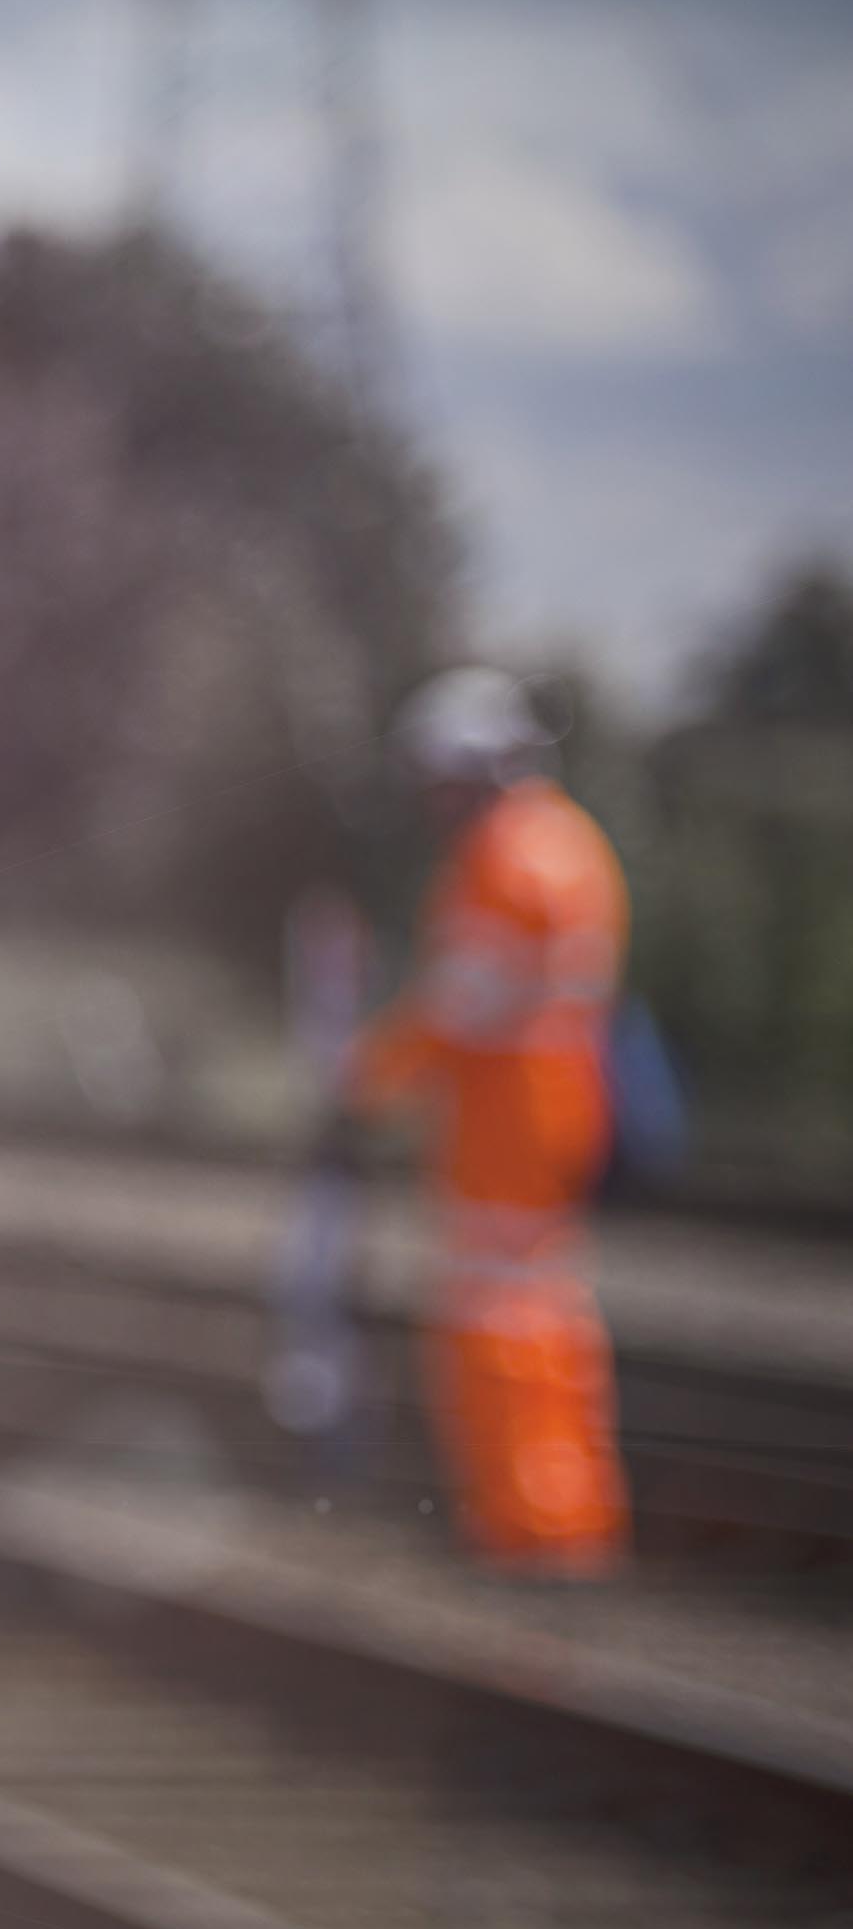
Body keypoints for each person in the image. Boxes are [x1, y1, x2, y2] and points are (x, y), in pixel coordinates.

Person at [342, 663, 632, 1572]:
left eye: (441, 783)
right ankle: (570, 1517)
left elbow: (454, 1008)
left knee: (492, 1319)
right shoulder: (570, 841)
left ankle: (518, 1525)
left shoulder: (503, 857)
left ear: (475, 770)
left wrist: (365, 1083)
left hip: (505, 1122)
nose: (435, 804)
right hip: (559, 1107)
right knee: (546, 1317)